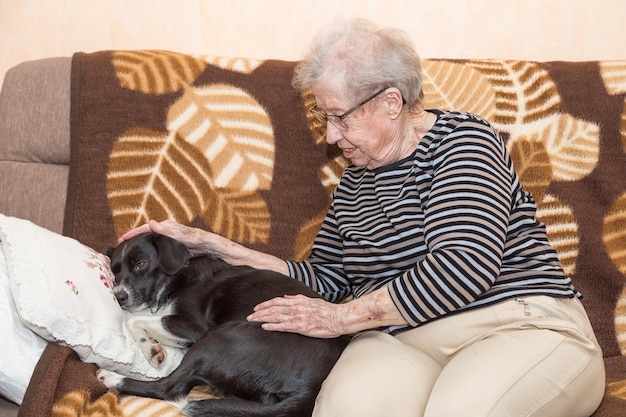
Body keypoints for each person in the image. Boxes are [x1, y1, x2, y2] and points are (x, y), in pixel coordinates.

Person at [121, 19, 605, 417]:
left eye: (339, 117)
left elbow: (464, 266)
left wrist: (342, 318)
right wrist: (221, 249)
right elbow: (327, 279)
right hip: (400, 338)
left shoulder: (463, 143)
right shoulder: (356, 180)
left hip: (516, 324)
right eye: (323, 118)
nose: (331, 137)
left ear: (390, 103)